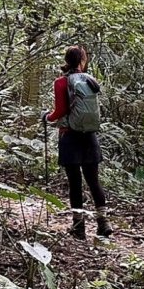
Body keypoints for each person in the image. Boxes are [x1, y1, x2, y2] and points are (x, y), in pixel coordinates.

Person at [42, 45, 113, 239]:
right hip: (89, 136)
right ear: (82, 61)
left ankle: (79, 226)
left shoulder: (61, 82)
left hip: (69, 136)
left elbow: (60, 111)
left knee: (75, 182)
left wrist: (47, 117)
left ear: (66, 60)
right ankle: (103, 222)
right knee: (93, 181)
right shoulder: (89, 80)